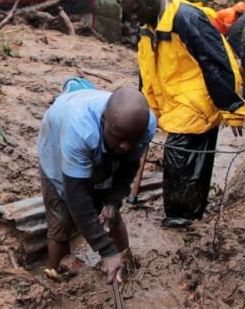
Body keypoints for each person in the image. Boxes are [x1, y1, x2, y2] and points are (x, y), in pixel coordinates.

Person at [118, 0, 245, 228]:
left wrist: (232, 107)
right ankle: (191, 212)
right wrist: (148, 107)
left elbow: (218, 63)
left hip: (198, 101)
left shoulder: (186, 18)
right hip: (173, 102)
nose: (133, 18)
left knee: (179, 154)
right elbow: (146, 70)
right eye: (128, 13)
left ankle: (181, 218)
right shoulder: (147, 26)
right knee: (192, 163)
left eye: (135, 10)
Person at [37, 85, 157, 283]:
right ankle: (58, 278)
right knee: (61, 220)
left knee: (110, 215)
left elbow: (128, 167)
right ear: (103, 120)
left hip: (99, 140)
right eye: (119, 138)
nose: (126, 146)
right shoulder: (80, 131)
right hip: (57, 143)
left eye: (131, 141)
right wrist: (107, 251)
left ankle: (125, 265)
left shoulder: (144, 126)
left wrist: (112, 202)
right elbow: (76, 196)